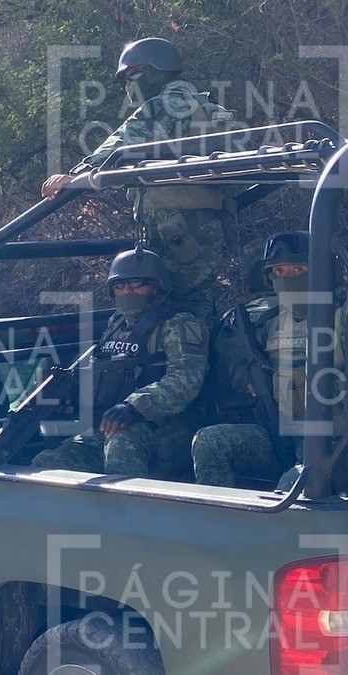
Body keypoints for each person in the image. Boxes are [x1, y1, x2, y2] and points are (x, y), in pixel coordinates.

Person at [42, 37, 235, 319]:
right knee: (198, 309)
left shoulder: (162, 106)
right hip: (208, 224)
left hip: (173, 226)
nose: (127, 86)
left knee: (168, 313)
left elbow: (120, 145)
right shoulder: (209, 108)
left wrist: (76, 176)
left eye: (130, 76)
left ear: (153, 70)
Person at [31, 247, 209, 477]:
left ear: (156, 287)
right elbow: (101, 364)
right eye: (120, 286)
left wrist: (132, 406)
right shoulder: (117, 322)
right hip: (109, 424)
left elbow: (187, 379)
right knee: (48, 464)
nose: (127, 292)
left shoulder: (177, 323)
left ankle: (129, 513)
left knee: (120, 448)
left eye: (136, 285)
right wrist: (69, 389)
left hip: (167, 425)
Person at [192, 232, 346, 486]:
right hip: (279, 437)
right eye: (279, 272)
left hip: (333, 447)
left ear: (322, 270)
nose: (287, 278)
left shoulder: (341, 319)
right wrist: (243, 375)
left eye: (298, 269)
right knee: (208, 442)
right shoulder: (271, 322)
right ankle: (220, 523)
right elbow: (233, 351)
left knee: (292, 488)